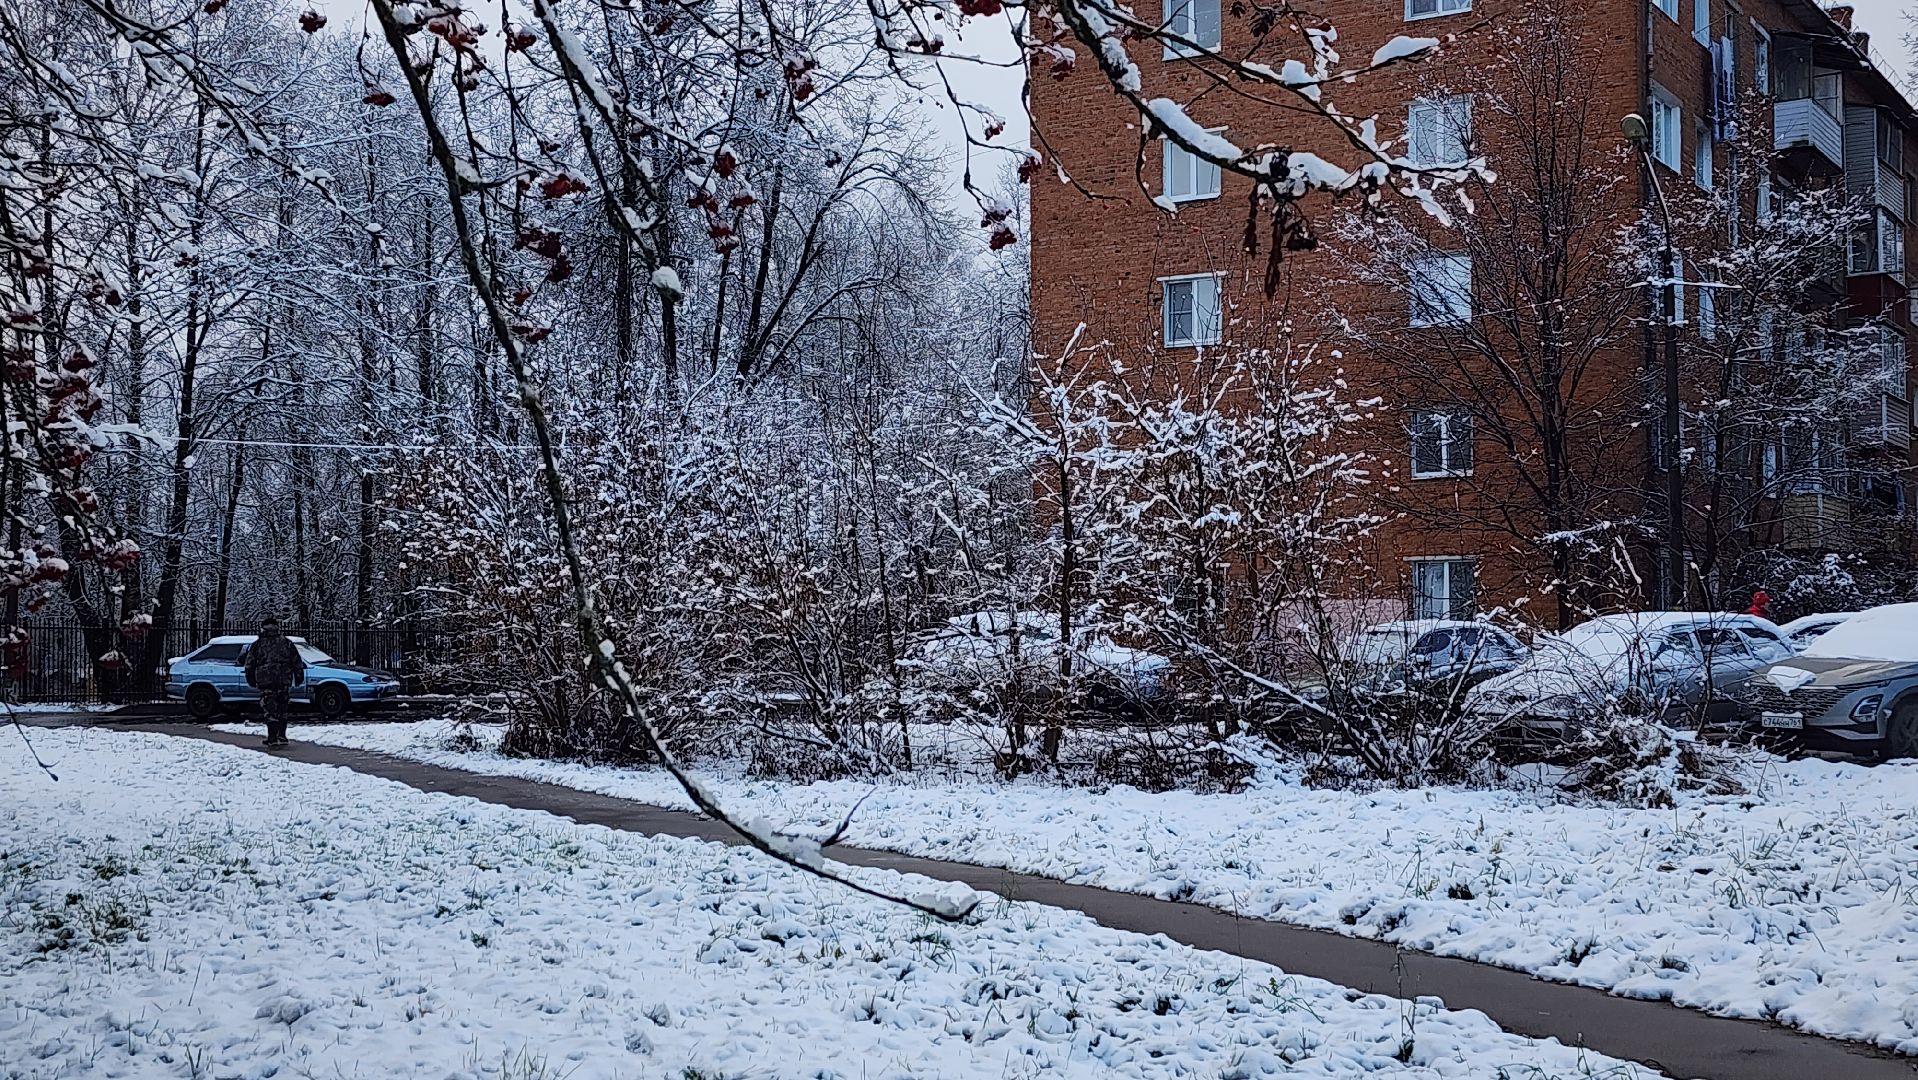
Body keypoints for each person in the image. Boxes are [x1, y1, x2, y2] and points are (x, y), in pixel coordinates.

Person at [243, 619, 305, 748]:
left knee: (270, 709)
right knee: (282, 708)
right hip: (283, 680)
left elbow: (249, 664)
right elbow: (297, 661)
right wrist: (298, 677)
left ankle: (272, 737)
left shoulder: (258, 644)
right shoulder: (286, 643)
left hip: (266, 681)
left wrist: (251, 679)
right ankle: (282, 735)